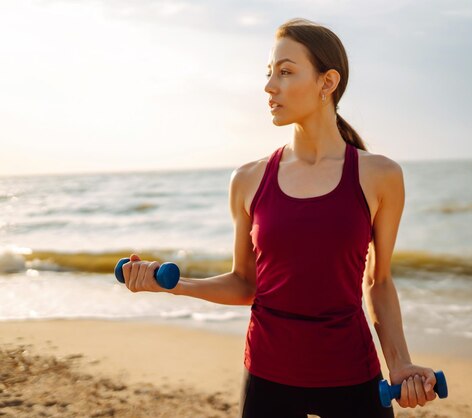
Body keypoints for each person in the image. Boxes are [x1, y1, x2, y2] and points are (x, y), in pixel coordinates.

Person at [121, 17, 439, 418]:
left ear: (327, 83)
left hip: (351, 373)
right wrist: (171, 285)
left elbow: (378, 281)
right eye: (269, 73)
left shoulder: (381, 176)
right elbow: (245, 284)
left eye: (286, 72)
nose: (270, 86)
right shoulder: (248, 179)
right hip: (268, 375)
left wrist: (400, 364)